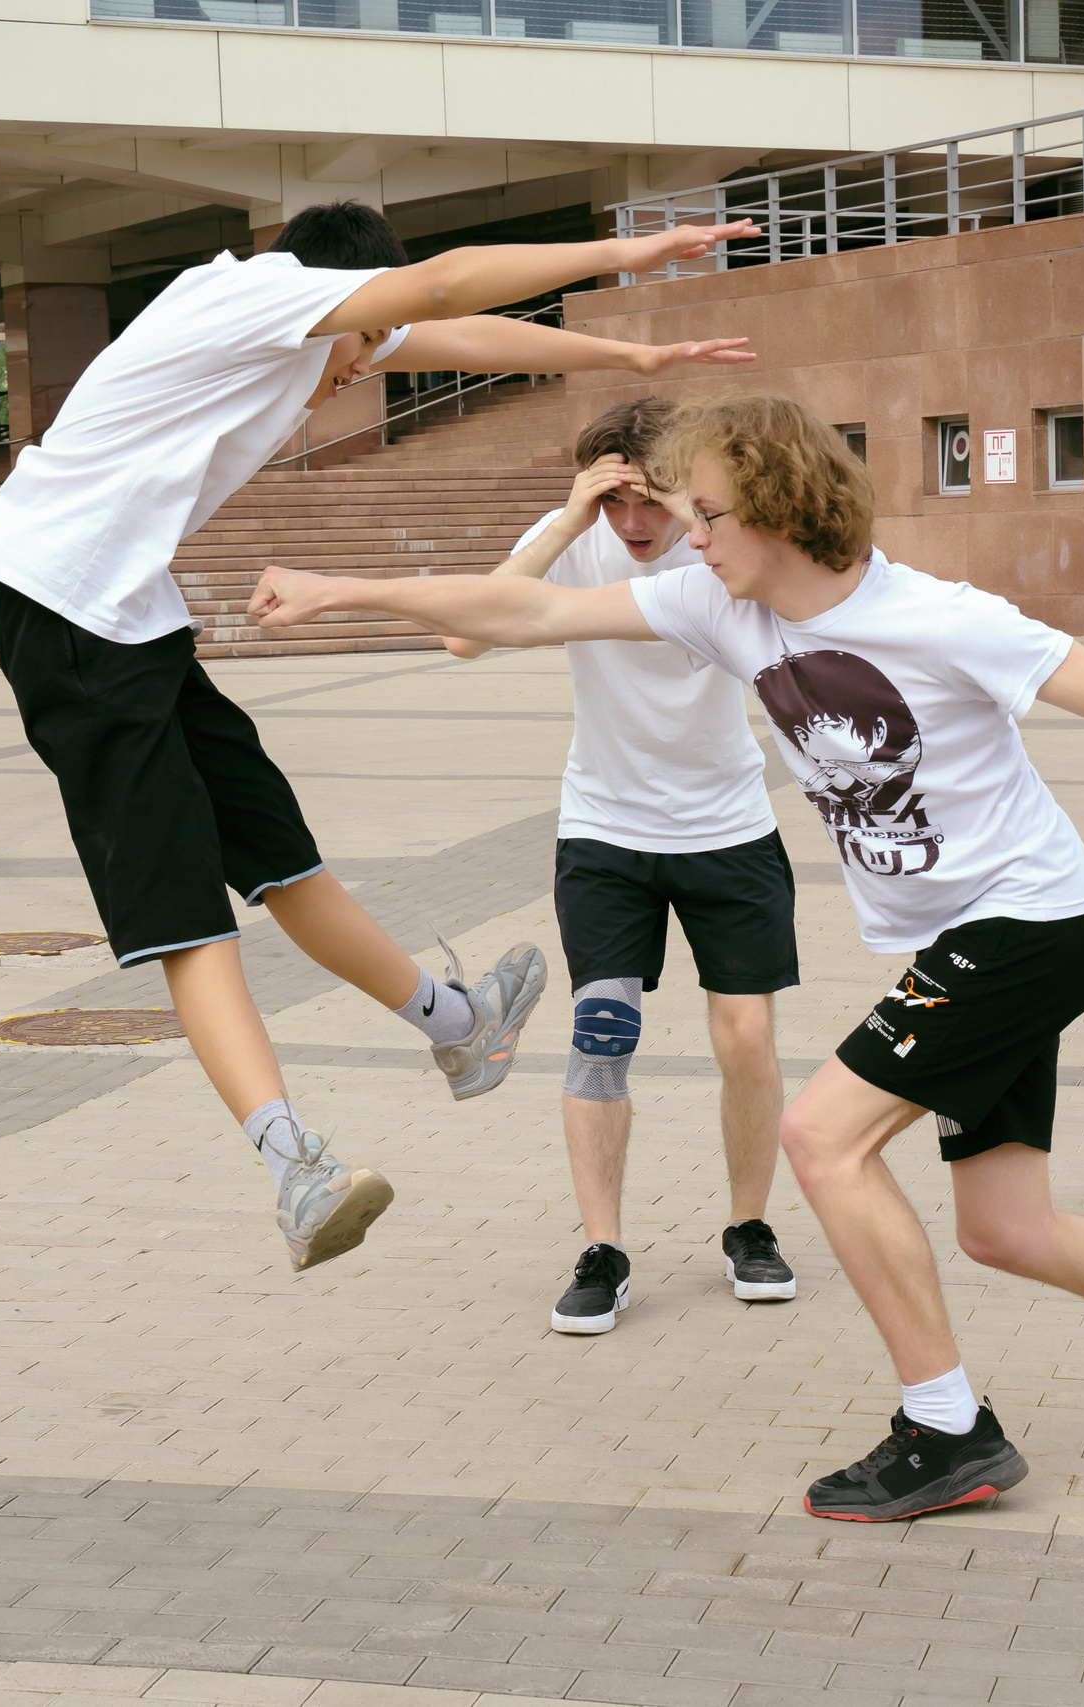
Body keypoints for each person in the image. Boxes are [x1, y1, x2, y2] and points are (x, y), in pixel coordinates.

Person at [245, 392, 1084, 1520]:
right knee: (1006, 1228)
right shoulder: (722, 607)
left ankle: (947, 1432)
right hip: (981, 936)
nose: (692, 537)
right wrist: (347, 589)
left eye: (710, 515)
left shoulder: (940, 617)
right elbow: (522, 614)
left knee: (821, 1136)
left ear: (779, 514)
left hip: (1030, 926)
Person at [0, 201, 760, 1274]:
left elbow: (467, 335)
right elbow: (444, 289)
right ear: (332, 291)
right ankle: (293, 1167)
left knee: (282, 858)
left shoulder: (307, 325)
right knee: (188, 921)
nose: (354, 375)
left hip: (133, 616)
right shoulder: (253, 295)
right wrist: (628, 254)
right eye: (359, 348)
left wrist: (628, 347)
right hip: (63, 621)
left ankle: (460, 1026)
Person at [443, 396, 800, 1335]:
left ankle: (750, 1227)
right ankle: (602, 1248)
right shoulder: (577, 536)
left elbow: (808, 613)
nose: (633, 526)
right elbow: (463, 634)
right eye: (616, 503)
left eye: (654, 502)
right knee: (602, 1029)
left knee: (748, 1039)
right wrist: (569, 518)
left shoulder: (722, 543)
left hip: (728, 825)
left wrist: (699, 513)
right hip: (605, 825)